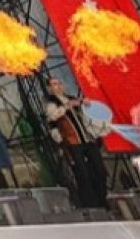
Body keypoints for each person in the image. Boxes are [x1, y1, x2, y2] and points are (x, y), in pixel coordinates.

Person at [44, 76, 108, 209]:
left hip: (88, 140)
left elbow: (86, 117)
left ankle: (102, 199)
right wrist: (67, 106)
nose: (58, 86)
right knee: (83, 174)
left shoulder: (73, 98)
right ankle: (90, 205)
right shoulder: (51, 103)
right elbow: (53, 117)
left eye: (59, 83)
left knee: (100, 171)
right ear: (49, 88)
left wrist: (86, 105)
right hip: (73, 142)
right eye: (54, 84)